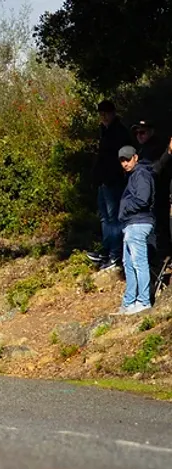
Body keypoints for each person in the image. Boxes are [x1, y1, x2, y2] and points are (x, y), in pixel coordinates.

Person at [88, 100, 132, 271]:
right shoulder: (104, 131)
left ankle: (115, 254)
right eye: (101, 113)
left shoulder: (119, 132)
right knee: (105, 217)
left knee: (114, 219)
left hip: (114, 180)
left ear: (113, 113)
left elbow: (122, 157)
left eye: (106, 113)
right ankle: (106, 250)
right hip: (103, 180)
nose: (103, 117)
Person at [115, 146, 155, 315]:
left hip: (139, 223)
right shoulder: (133, 176)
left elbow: (143, 199)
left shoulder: (141, 174)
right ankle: (129, 302)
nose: (125, 163)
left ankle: (143, 301)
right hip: (131, 224)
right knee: (128, 264)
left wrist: (124, 208)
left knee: (139, 263)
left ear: (135, 158)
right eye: (122, 160)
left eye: (128, 159)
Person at [131, 120, 170, 261]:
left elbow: (154, 170)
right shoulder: (143, 149)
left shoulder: (157, 148)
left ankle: (160, 258)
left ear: (151, 131)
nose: (139, 135)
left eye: (142, 132)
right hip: (146, 196)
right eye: (137, 133)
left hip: (157, 194)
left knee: (158, 227)